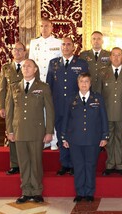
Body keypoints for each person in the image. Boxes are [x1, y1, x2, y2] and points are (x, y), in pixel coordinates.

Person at [6, 59, 55, 204]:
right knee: (24, 163)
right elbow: (9, 111)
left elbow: (50, 111)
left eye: (29, 66)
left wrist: (49, 131)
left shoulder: (43, 87)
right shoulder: (14, 87)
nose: (26, 68)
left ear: (35, 69)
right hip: (19, 130)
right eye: (24, 66)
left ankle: (37, 191)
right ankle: (26, 192)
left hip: (36, 131)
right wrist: (10, 130)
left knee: (36, 162)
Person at [61, 73, 109, 202]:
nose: (84, 84)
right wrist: (64, 137)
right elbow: (65, 118)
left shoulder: (97, 98)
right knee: (78, 166)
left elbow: (104, 118)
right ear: (78, 83)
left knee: (90, 165)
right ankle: (80, 192)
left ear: (90, 83)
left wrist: (105, 135)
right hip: (75, 139)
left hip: (93, 139)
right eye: (81, 81)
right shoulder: (71, 99)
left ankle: (89, 193)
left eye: (86, 81)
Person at [46, 37, 88, 176]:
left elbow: (85, 86)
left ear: (73, 47)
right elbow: (49, 86)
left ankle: (75, 164)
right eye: (63, 44)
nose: (65, 47)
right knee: (61, 134)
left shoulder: (81, 63)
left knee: (75, 136)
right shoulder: (53, 63)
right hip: (58, 107)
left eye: (68, 44)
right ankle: (65, 164)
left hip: (75, 107)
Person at [29, 17, 62, 150]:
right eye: (42, 26)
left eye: (47, 26)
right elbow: (31, 63)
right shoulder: (34, 43)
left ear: (52, 27)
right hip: (39, 81)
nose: (44, 28)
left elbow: (60, 64)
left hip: (53, 82)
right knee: (39, 110)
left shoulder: (58, 42)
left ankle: (54, 140)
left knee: (51, 109)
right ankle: (43, 139)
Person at [100, 47, 122, 176]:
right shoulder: (103, 73)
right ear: (110, 57)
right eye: (114, 55)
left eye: (119, 55)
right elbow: (99, 94)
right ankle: (110, 164)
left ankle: (120, 165)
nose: (116, 57)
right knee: (109, 139)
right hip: (107, 112)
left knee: (120, 139)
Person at [0, 42, 27, 175]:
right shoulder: (6, 68)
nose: (17, 52)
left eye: (20, 49)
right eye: (15, 49)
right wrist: (1, 106)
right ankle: (14, 164)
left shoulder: (29, 66)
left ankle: (25, 163)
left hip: (24, 103)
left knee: (23, 132)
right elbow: (2, 89)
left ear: (25, 52)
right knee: (11, 132)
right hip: (10, 104)